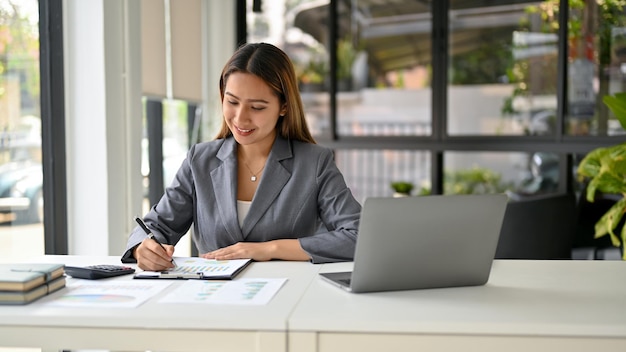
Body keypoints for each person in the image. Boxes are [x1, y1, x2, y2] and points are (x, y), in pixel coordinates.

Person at [122, 42, 361, 271]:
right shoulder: (200, 160)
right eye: (232, 102)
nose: (240, 118)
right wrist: (143, 248)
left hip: (286, 296)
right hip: (212, 296)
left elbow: (358, 235)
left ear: (284, 106)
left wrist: (270, 249)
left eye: (257, 107)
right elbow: (155, 226)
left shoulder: (314, 162)